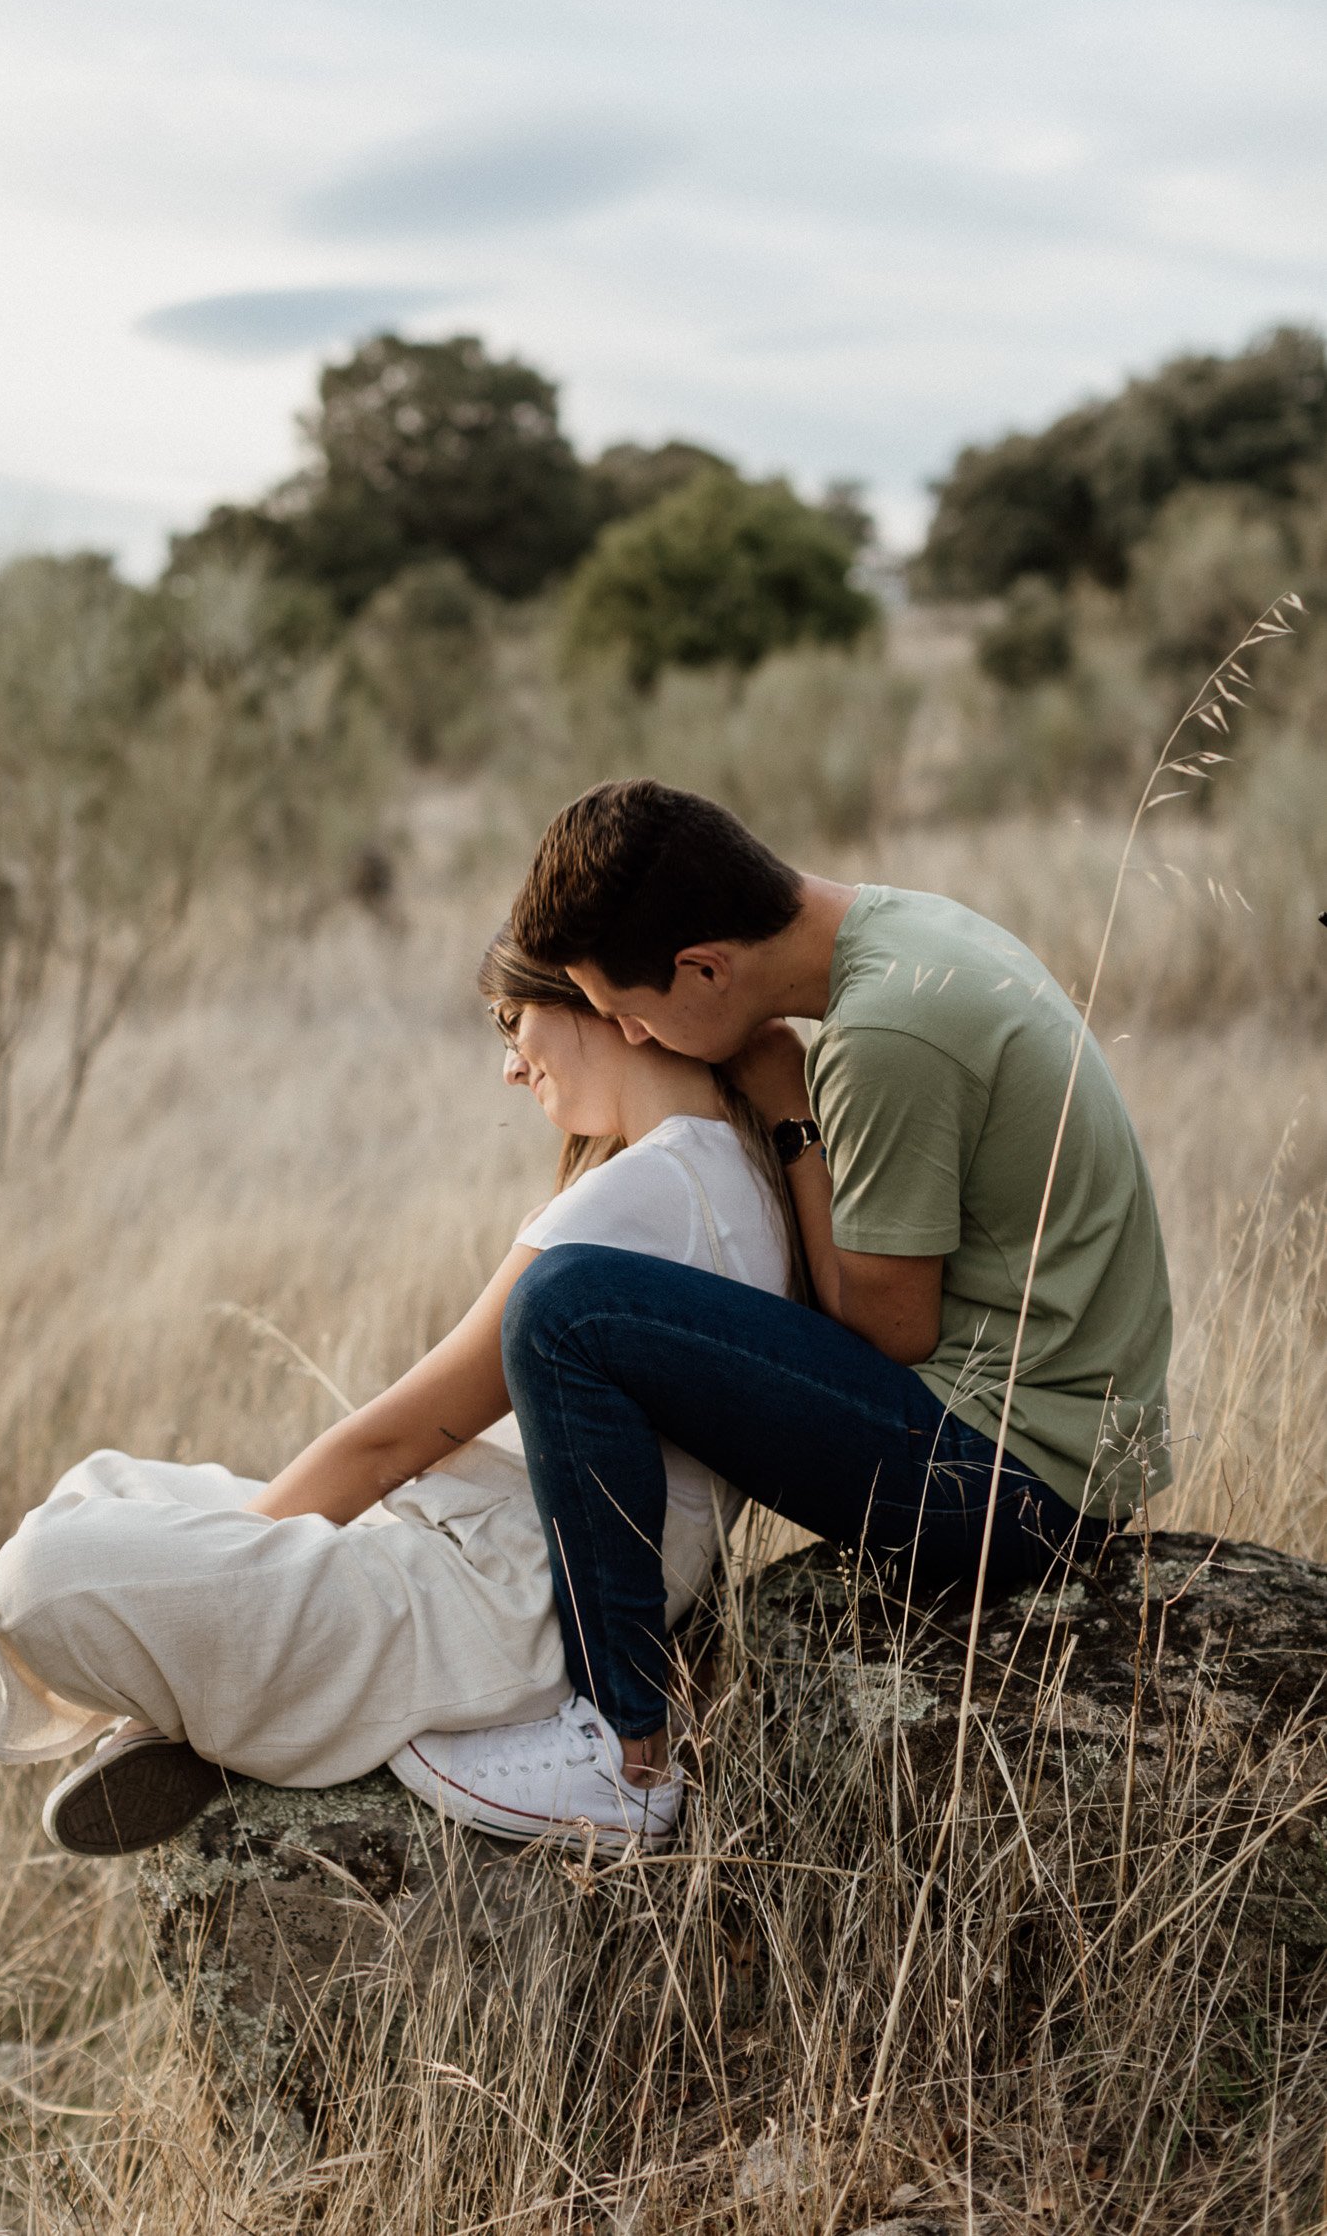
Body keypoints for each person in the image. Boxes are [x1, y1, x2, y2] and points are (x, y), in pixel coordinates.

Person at [405, 778, 1174, 1835]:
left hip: (1014, 1479)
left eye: (628, 1011)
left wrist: (785, 1113)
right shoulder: (907, 929)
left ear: (703, 968)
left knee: (563, 1308)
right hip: (1070, 1439)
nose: (631, 1034)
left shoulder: (883, 1040)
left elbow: (888, 1331)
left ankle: (620, 1754)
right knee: (586, 1307)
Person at [0, 930, 805, 1855]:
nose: (506, 1066)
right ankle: (224, 1698)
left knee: (41, 1577)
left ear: (598, 1003)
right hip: (483, 1560)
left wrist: (260, 1558)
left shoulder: (636, 1197)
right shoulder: (734, 1169)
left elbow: (389, 1443)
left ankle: (215, 1705)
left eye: (511, 1020)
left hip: (488, 1611)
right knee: (110, 1486)